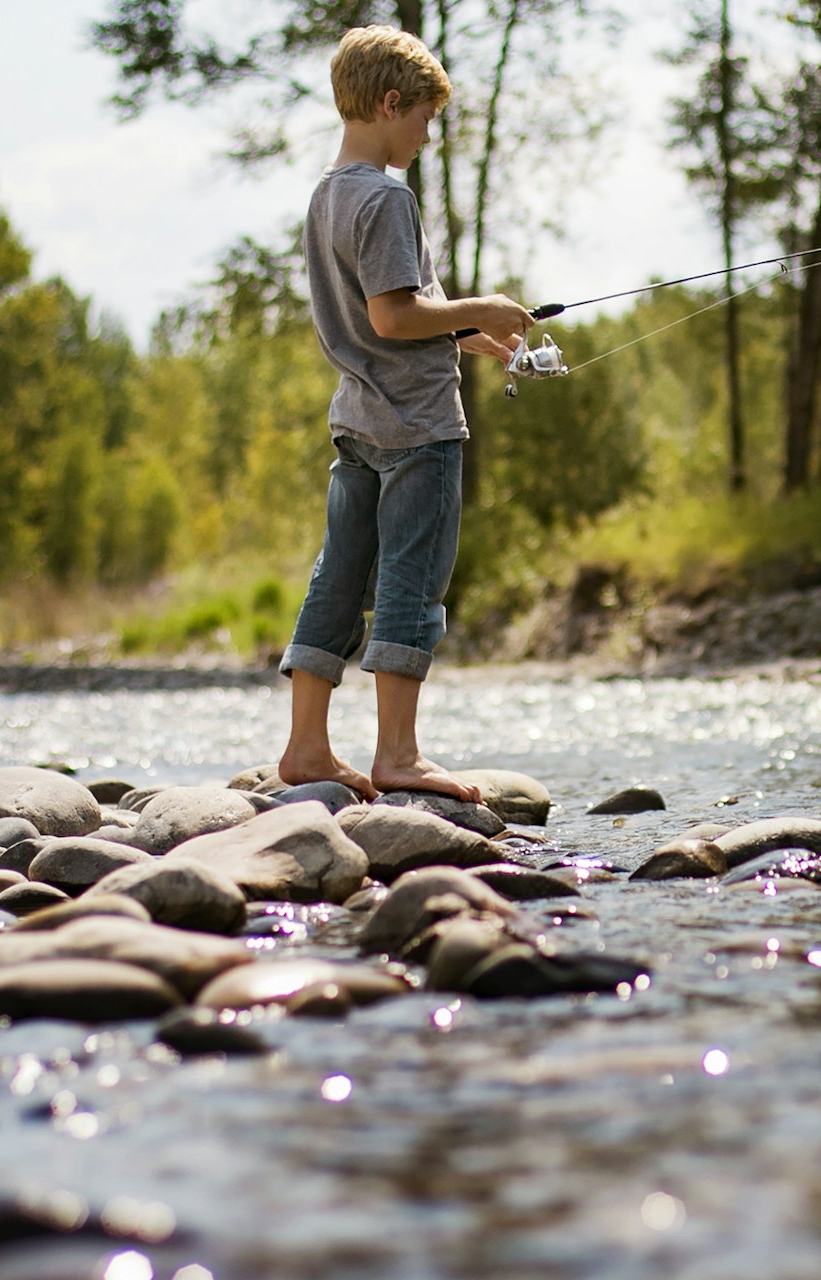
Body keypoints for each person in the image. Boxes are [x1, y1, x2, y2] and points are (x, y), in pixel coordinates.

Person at [277, 24, 532, 804]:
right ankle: (398, 754)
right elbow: (394, 315)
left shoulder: (327, 195)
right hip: (418, 427)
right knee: (410, 584)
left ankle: (307, 749)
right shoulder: (387, 196)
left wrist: (466, 334)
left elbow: (381, 317)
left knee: (338, 577)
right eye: (423, 118)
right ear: (391, 103)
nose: (425, 135)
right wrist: (481, 303)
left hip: (357, 419)